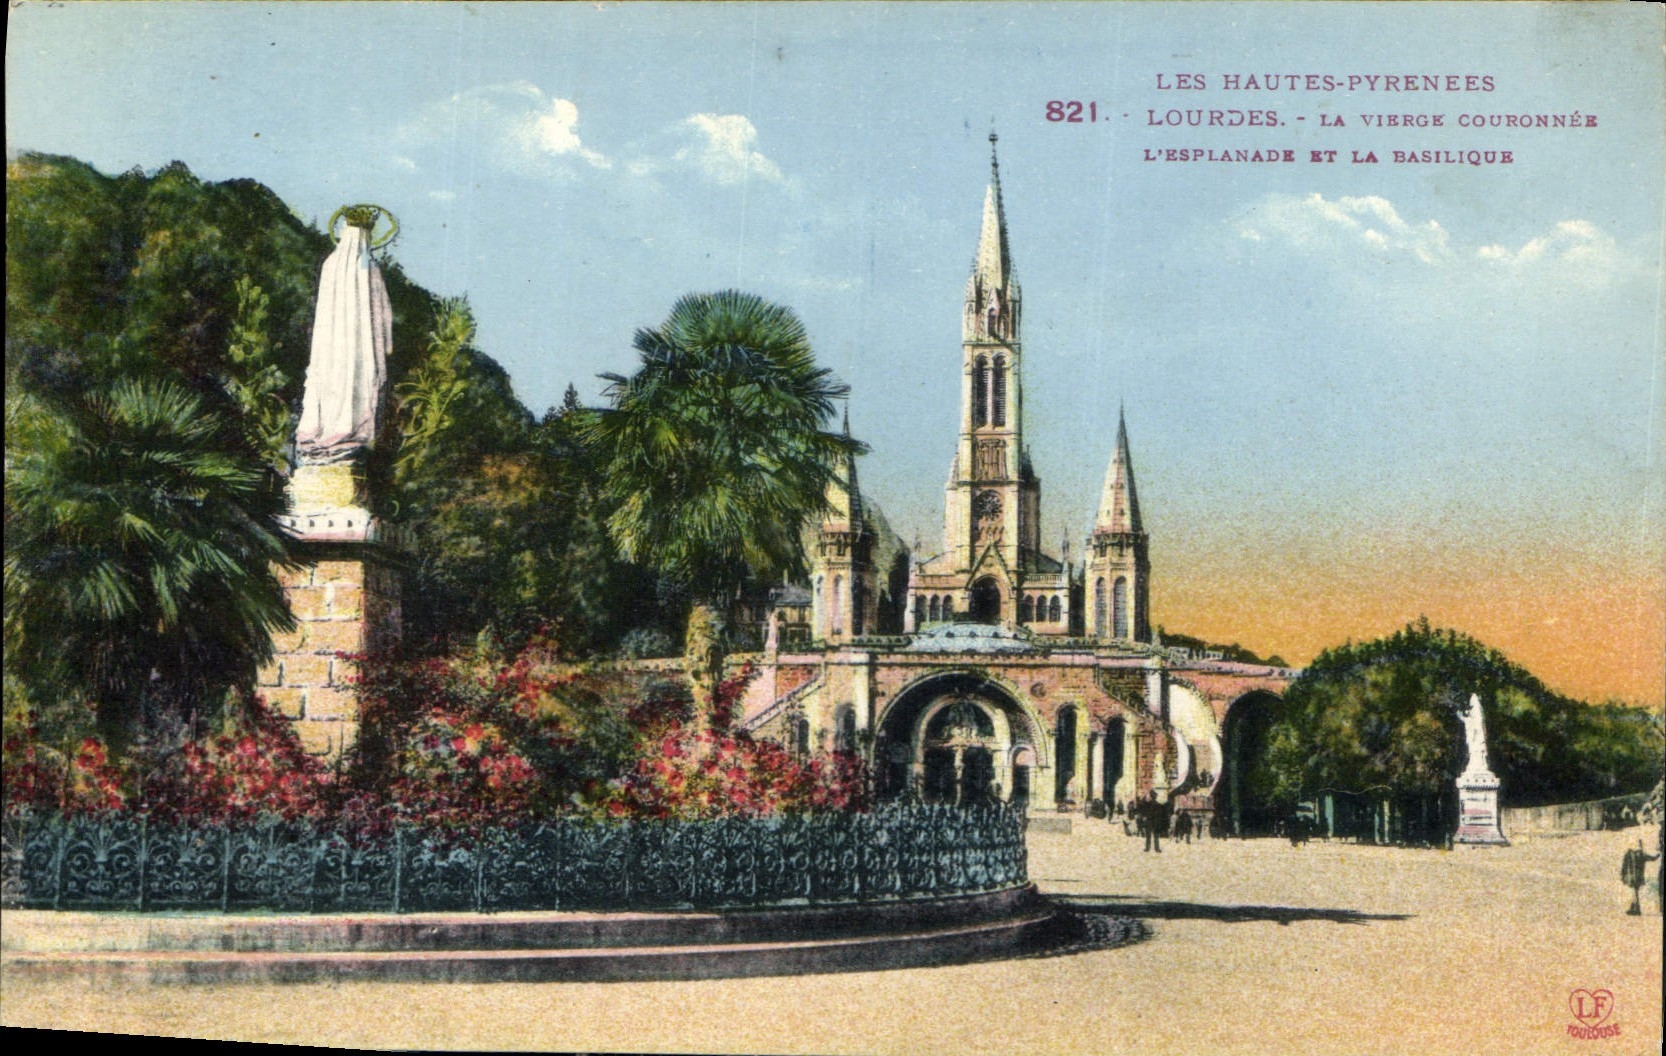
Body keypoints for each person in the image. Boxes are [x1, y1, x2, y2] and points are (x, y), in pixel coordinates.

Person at [1620, 839, 1658, 915]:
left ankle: (1635, 908)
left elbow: (1624, 866)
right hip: (1639, 876)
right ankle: (1635, 908)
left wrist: (1623, 875)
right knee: (1635, 891)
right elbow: (1652, 858)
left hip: (1631, 876)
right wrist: (1658, 855)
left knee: (1635, 892)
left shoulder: (1628, 853)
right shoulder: (1641, 854)